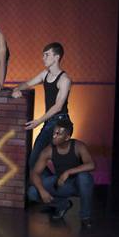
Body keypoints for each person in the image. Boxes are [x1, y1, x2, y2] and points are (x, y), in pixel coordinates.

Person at [12, 42, 72, 170]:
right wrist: (17, 89)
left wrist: (38, 121)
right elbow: (27, 84)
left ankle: (53, 185)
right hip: (49, 122)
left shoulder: (64, 80)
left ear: (56, 57)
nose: (43, 58)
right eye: (43, 55)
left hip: (61, 122)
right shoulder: (45, 74)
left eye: (47, 55)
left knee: (49, 162)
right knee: (35, 161)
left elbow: (58, 106)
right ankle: (45, 185)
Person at [26, 118, 95, 227]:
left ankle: (85, 216)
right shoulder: (48, 150)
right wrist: (42, 191)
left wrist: (68, 172)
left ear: (67, 137)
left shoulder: (78, 146)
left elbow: (91, 165)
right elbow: (34, 173)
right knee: (32, 192)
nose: (54, 136)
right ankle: (62, 204)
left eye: (59, 134)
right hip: (60, 183)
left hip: (77, 184)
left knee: (84, 177)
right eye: (54, 133)